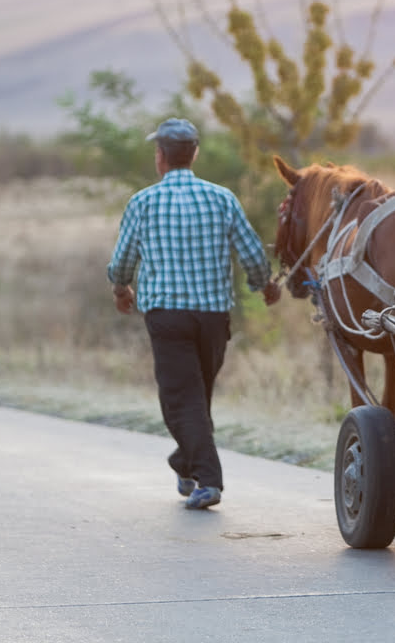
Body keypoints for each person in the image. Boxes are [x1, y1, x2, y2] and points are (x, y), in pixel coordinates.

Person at [108, 118, 281, 510]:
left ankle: (207, 480)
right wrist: (264, 285)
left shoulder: (143, 202)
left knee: (181, 400)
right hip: (212, 318)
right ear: (195, 154)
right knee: (195, 398)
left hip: (167, 317)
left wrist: (121, 289)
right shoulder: (222, 199)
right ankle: (185, 463)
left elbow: (122, 262)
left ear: (160, 157)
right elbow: (253, 254)